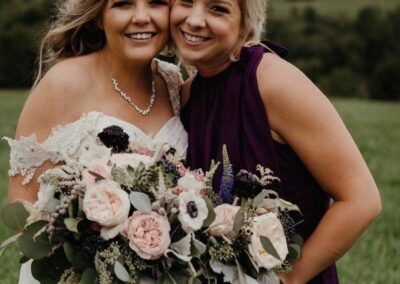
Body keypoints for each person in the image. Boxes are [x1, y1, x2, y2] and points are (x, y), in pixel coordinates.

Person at [171, 0, 381, 283]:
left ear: (245, 24)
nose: (195, 20)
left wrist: (286, 278)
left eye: (218, 8)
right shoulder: (186, 96)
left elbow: (362, 200)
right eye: (185, 2)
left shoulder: (273, 83)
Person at [4, 0, 187, 282]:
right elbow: (22, 201)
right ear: (99, 17)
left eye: (156, 3)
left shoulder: (172, 82)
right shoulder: (64, 82)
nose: (141, 17)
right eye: (123, 4)